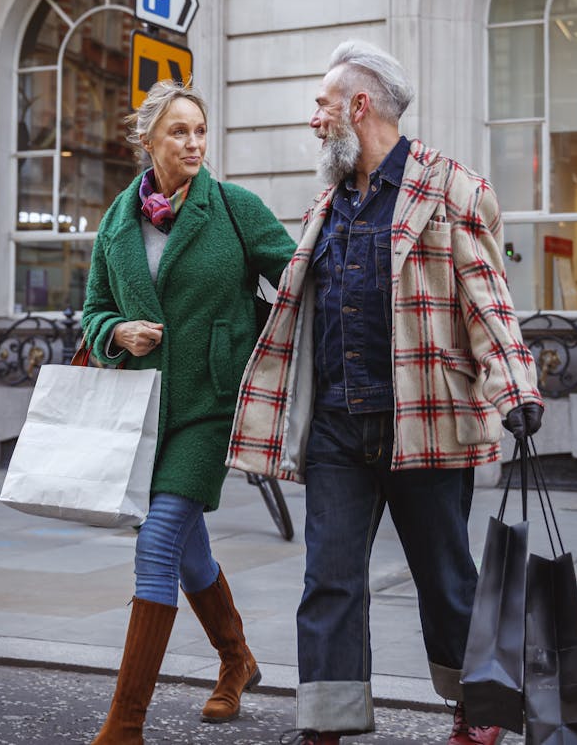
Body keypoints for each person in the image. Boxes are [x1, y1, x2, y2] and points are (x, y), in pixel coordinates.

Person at [228, 41, 544, 745]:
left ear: (357, 106)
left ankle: (478, 710)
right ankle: (326, 722)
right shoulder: (326, 206)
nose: (314, 119)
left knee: (446, 578)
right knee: (329, 580)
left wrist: (514, 386)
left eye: (321, 104)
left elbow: (487, 302)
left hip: (425, 420)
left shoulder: (451, 189)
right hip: (338, 429)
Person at [81, 80, 296, 743]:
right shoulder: (117, 223)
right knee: (185, 551)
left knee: (156, 543)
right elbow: (92, 310)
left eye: (201, 130)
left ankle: (125, 723)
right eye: (180, 131)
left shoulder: (233, 208)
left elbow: (296, 277)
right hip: (143, 413)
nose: (195, 143)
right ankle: (237, 660)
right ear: (147, 141)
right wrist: (117, 333)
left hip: (210, 402)